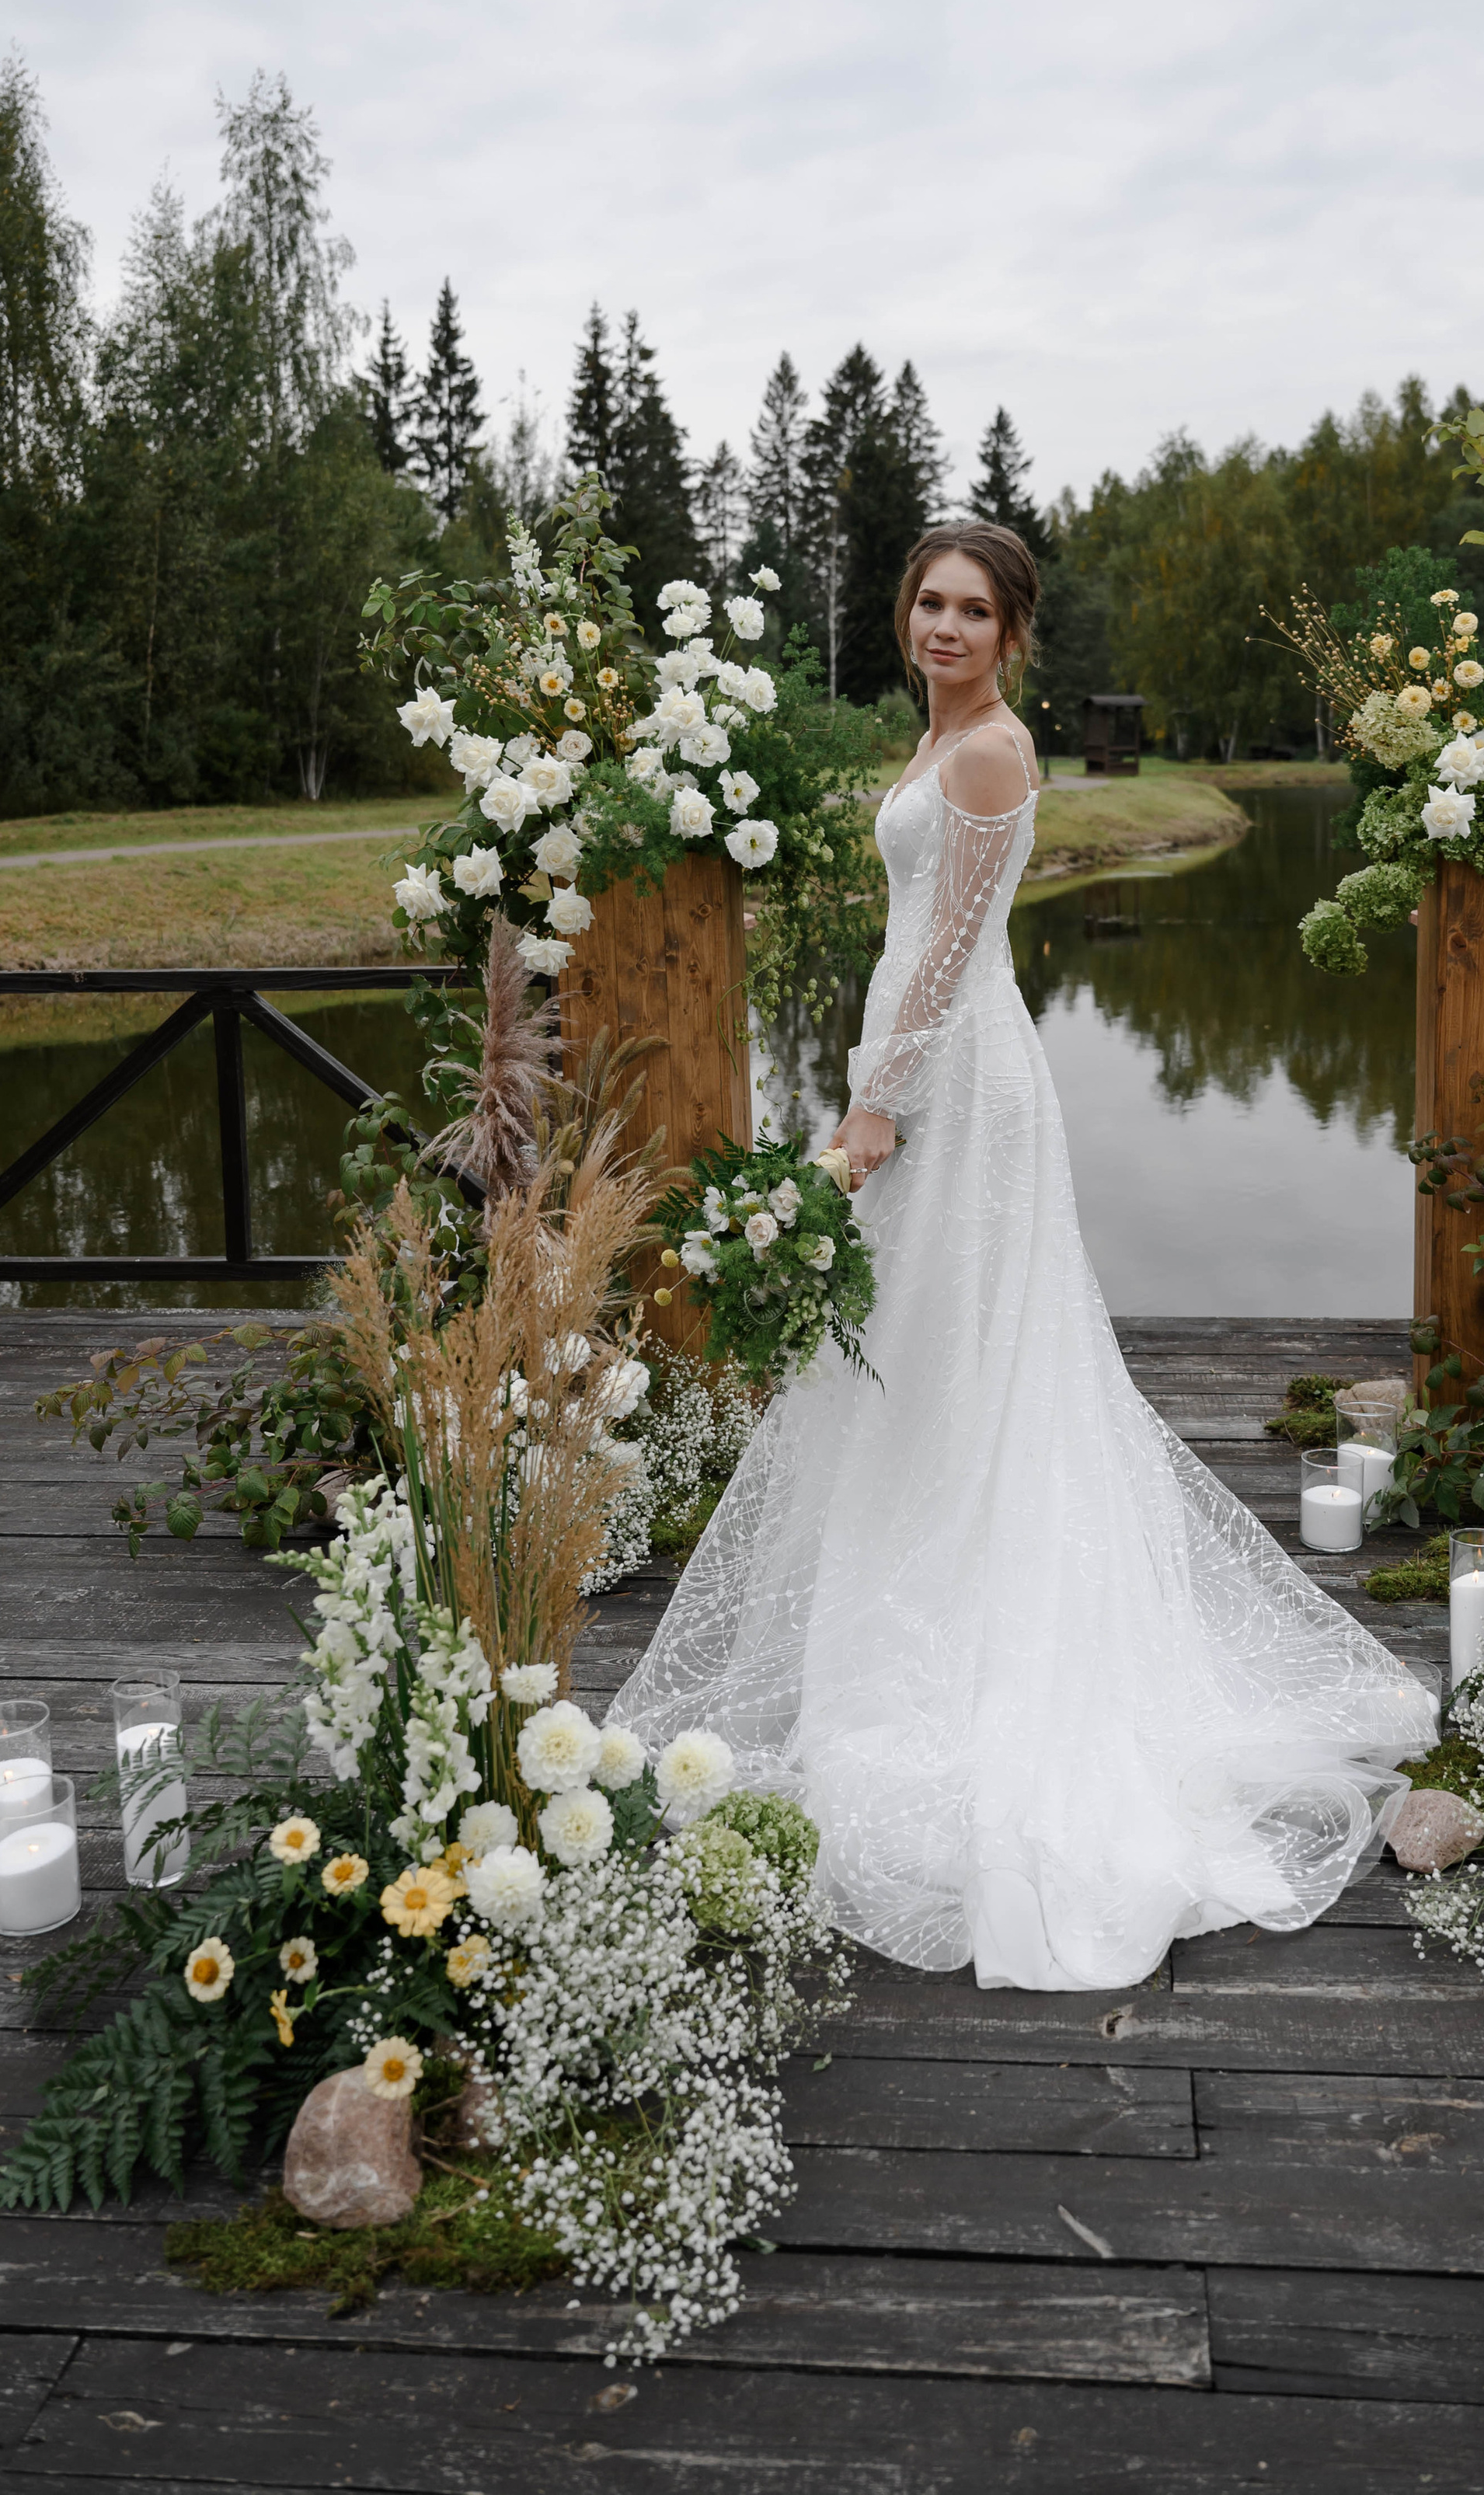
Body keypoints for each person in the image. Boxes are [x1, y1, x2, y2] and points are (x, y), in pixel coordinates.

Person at [610, 521, 1435, 1991]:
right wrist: (871, 1086)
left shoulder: (992, 752)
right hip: (923, 1063)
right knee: (918, 1349)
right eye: (927, 601)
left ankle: (980, 1611)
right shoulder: (948, 738)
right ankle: (916, 1574)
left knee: (962, 1340)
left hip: (955, 1084)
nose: (944, 625)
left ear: (1012, 630)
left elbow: (948, 949)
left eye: (972, 609)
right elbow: (915, 937)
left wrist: (871, 1111)